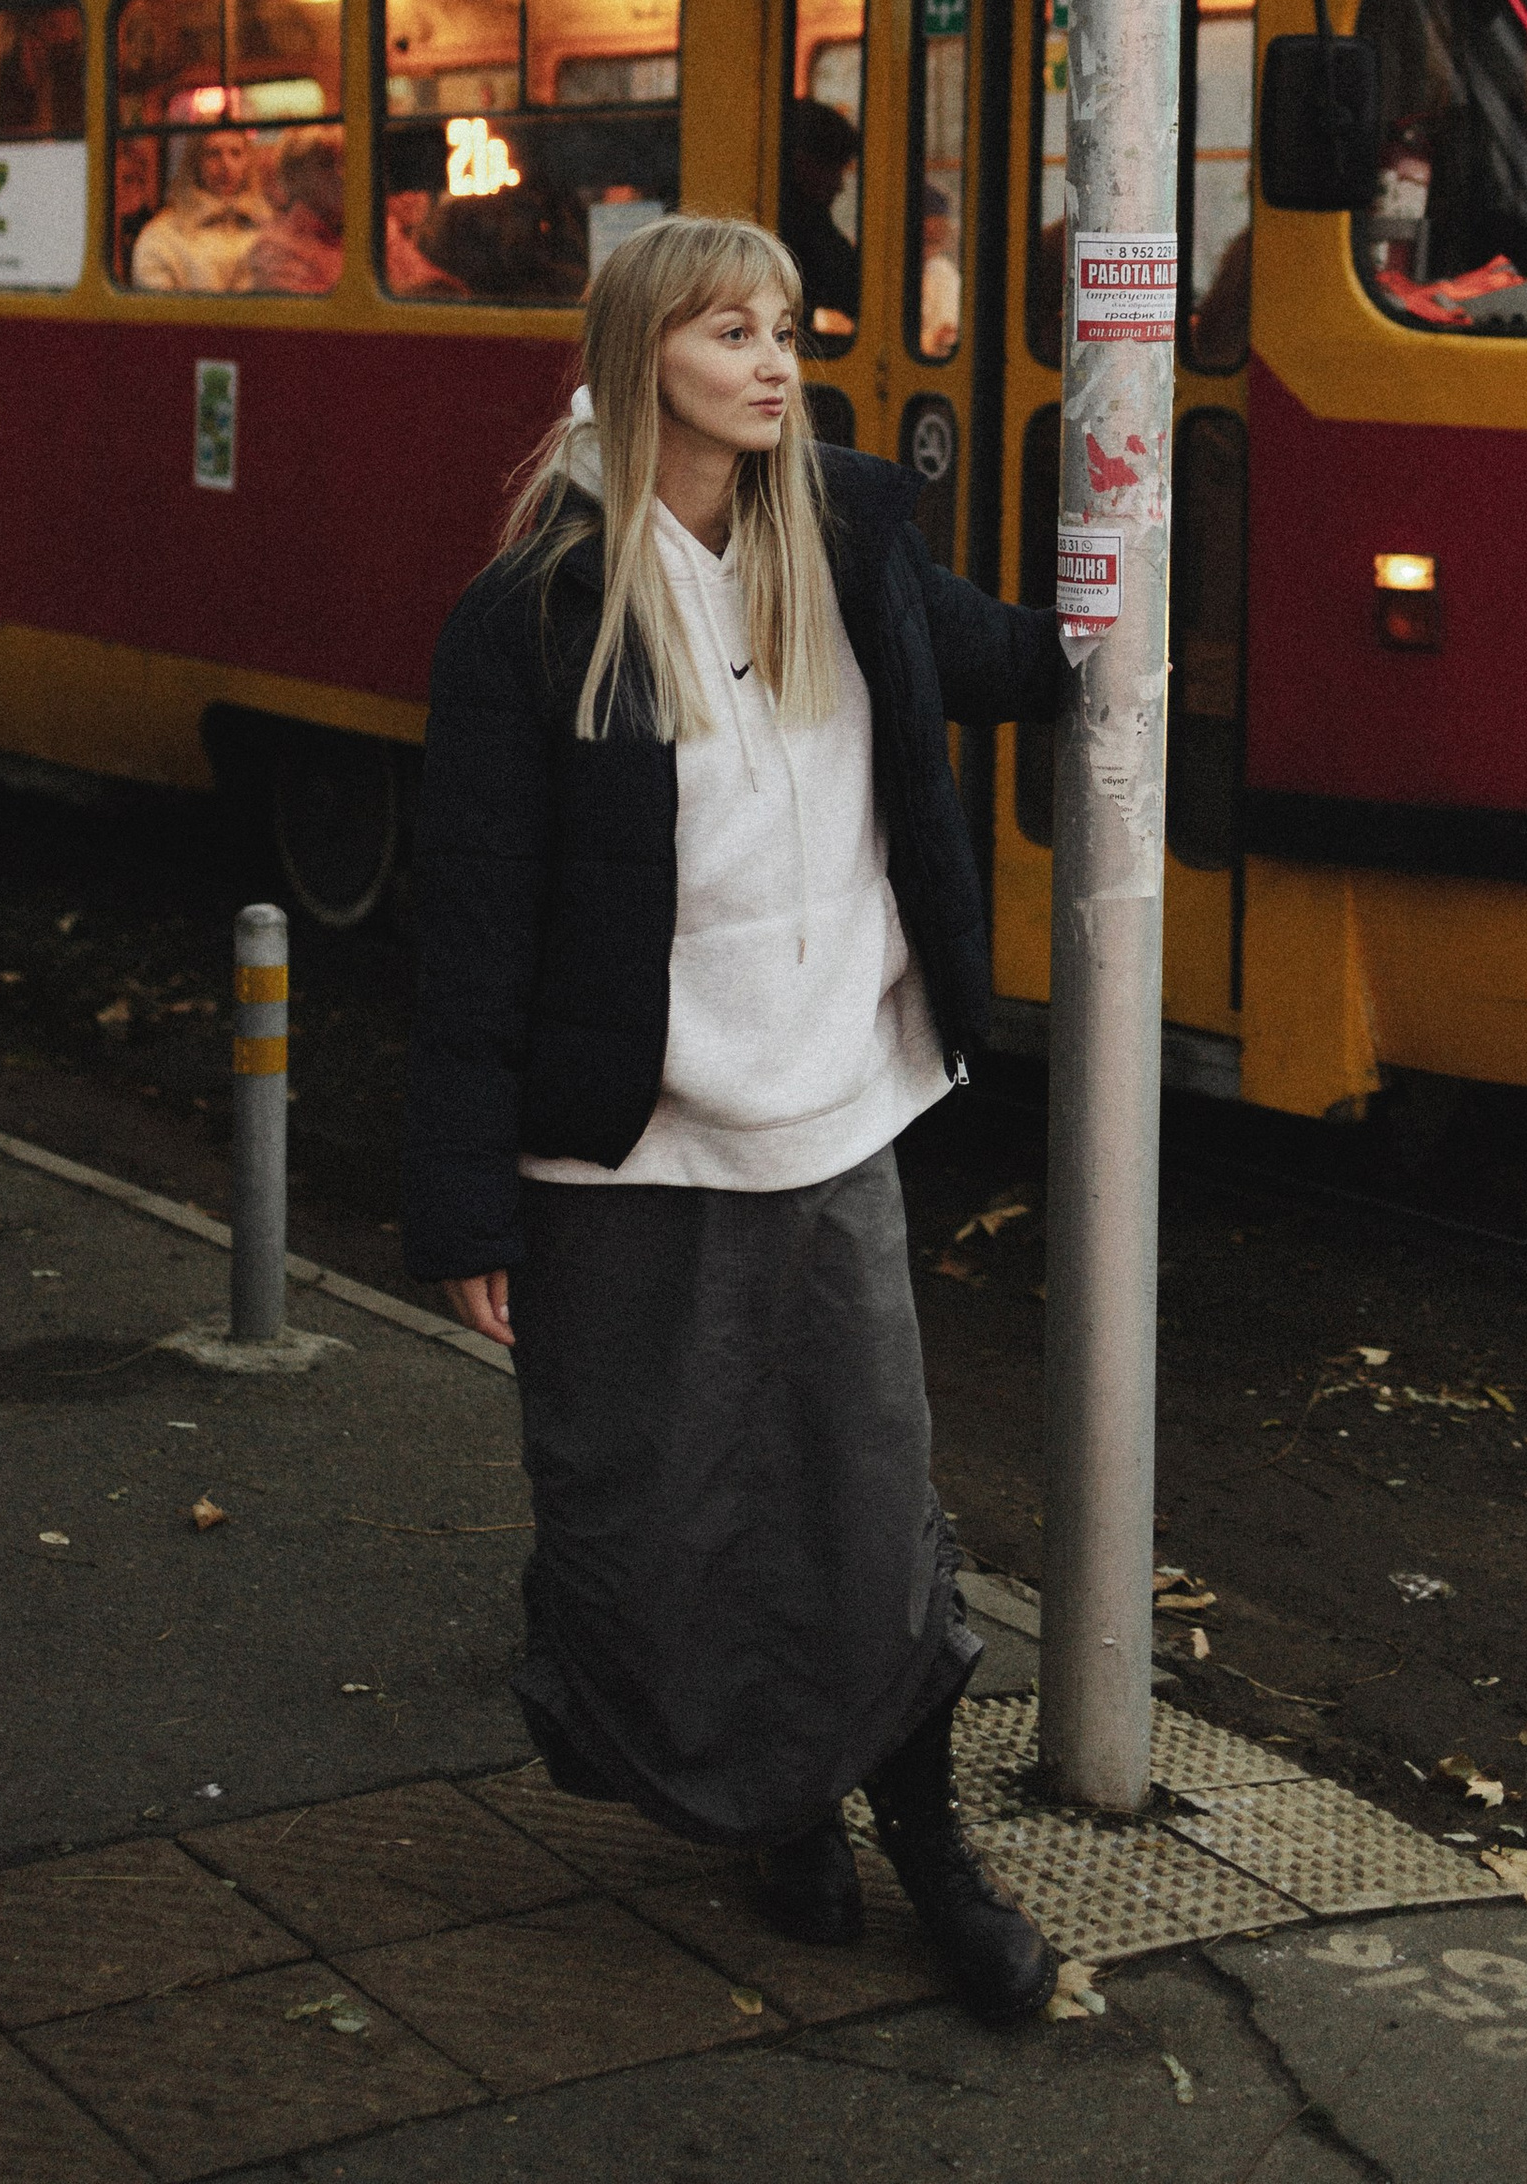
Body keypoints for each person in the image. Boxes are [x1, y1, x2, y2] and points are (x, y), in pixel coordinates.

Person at [405, 214, 1069, 2025]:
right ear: (641, 361)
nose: (777, 360)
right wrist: (461, 1205)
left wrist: (1132, 601)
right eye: (729, 332)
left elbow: (986, 657)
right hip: (623, 1150)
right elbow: (471, 926)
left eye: (785, 327)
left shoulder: (844, 535)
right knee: (665, 1516)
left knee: (867, 1504)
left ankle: (928, 1843)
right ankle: (779, 1811)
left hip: (833, 1110)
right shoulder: (538, 613)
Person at [128, 125, 260, 290]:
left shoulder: (265, 228)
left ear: (247, 162)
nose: (226, 164)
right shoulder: (163, 235)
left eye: (236, 153)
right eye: (213, 154)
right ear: (195, 163)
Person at [777, 96, 862, 346]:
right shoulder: (801, 224)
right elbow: (849, 287)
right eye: (834, 171)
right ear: (803, 163)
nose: (840, 187)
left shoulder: (804, 215)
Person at [233, 125, 346, 296]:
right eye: (326, 164)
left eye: (346, 162)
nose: (341, 175)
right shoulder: (277, 250)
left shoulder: (381, 231)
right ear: (295, 177)